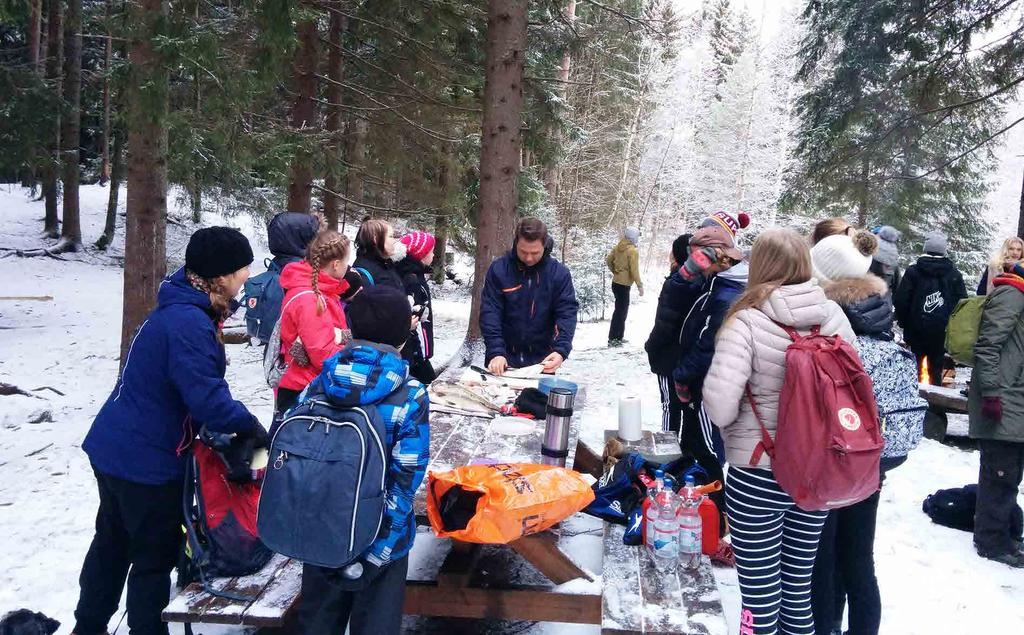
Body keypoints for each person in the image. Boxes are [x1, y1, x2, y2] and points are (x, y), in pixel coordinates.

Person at [74, 228, 268, 635]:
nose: (247, 276)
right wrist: (250, 426)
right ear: (220, 275)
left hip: (117, 448)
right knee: (151, 558)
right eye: (242, 269)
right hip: (145, 460)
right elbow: (207, 400)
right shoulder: (187, 322)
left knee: (112, 542)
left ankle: (88, 626)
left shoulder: (182, 304)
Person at [702, 228, 855, 635]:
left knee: (759, 596)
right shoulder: (834, 318)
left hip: (758, 472)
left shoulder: (746, 321)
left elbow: (718, 405)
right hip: (817, 474)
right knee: (797, 591)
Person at [810, 231, 927, 634]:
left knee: (824, 559)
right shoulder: (879, 303)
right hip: (875, 453)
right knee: (859, 557)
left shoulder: (828, 312)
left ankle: (825, 626)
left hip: (838, 452)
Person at [295, 286, 430, 634]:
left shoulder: (318, 384)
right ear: (404, 335)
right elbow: (406, 478)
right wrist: (380, 552)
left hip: (323, 532)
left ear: (351, 329)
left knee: (317, 623)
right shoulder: (409, 393)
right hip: (379, 539)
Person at [673, 225, 746, 534]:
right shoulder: (719, 282)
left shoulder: (727, 291)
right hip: (701, 379)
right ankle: (703, 511)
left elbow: (709, 342)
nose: (694, 266)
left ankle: (717, 520)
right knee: (696, 445)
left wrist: (682, 375)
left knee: (707, 450)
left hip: (708, 382)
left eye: (698, 259)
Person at [967, 261, 1024, 568]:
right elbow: (988, 346)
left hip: (1015, 397)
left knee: (1010, 471)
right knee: (1000, 473)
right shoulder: (1012, 294)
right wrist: (990, 393)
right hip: (1002, 396)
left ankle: (1002, 534)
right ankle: (991, 541)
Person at [480, 218, 579, 375]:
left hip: (542, 362)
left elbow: (566, 314)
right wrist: (496, 351)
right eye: (523, 252)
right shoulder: (499, 270)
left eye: (535, 253)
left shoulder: (559, 274)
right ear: (516, 243)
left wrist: (561, 350)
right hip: (502, 361)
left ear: (545, 246)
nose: (528, 258)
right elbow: (490, 313)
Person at [275, 229, 353, 416]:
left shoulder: (320, 289)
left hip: (311, 385)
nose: (348, 267)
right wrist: (354, 358)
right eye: (346, 262)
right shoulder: (310, 299)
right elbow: (323, 353)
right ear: (335, 264)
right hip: (305, 390)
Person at [893, 230, 967, 385]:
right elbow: (962, 305)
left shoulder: (913, 272)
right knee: (936, 370)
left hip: (916, 329)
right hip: (942, 331)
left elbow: (901, 300)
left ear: (926, 248)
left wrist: (903, 322)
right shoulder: (954, 274)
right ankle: (935, 406)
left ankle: (914, 404)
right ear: (944, 250)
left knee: (915, 369)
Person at [645, 234, 699, 433]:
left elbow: (665, 323)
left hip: (669, 357)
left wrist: (651, 347)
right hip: (689, 359)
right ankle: (685, 452)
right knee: (688, 409)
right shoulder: (702, 282)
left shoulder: (677, 284)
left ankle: (668, 454)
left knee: (670, 406)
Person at [243, 211, 321, 343]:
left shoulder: (277, 264)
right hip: (297, 347)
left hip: (275, 347)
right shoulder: (301, 270)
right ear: (303, 238)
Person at [396, 231, 438, 384]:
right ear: (421, 254)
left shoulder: (415, 275)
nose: (433, 255)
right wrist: (422, 354)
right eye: (431, 251)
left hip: (416, 350)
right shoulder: (412, 280)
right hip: (415, 352)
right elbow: (416, 317)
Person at [606, 227, 644, 347]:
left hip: (616, 282)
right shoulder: (632, 251)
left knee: (619, 310)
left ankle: (617, 337)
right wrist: (639, 285)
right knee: (621, 312)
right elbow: (634, 270)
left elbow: (608, 260)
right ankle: (614, 338)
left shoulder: (619, 246)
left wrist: (616, 272)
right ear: (633, 237)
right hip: (624, 285)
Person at [352, 218, 404, 291]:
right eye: (391, 236)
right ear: (375, 239)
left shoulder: (386, 263)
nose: (394, 240)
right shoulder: (363, 273)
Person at [868, 225, 902, 299]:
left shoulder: (869, 253)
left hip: (863, 300)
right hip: (883, 303)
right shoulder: (894, 260)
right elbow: (898, 288)